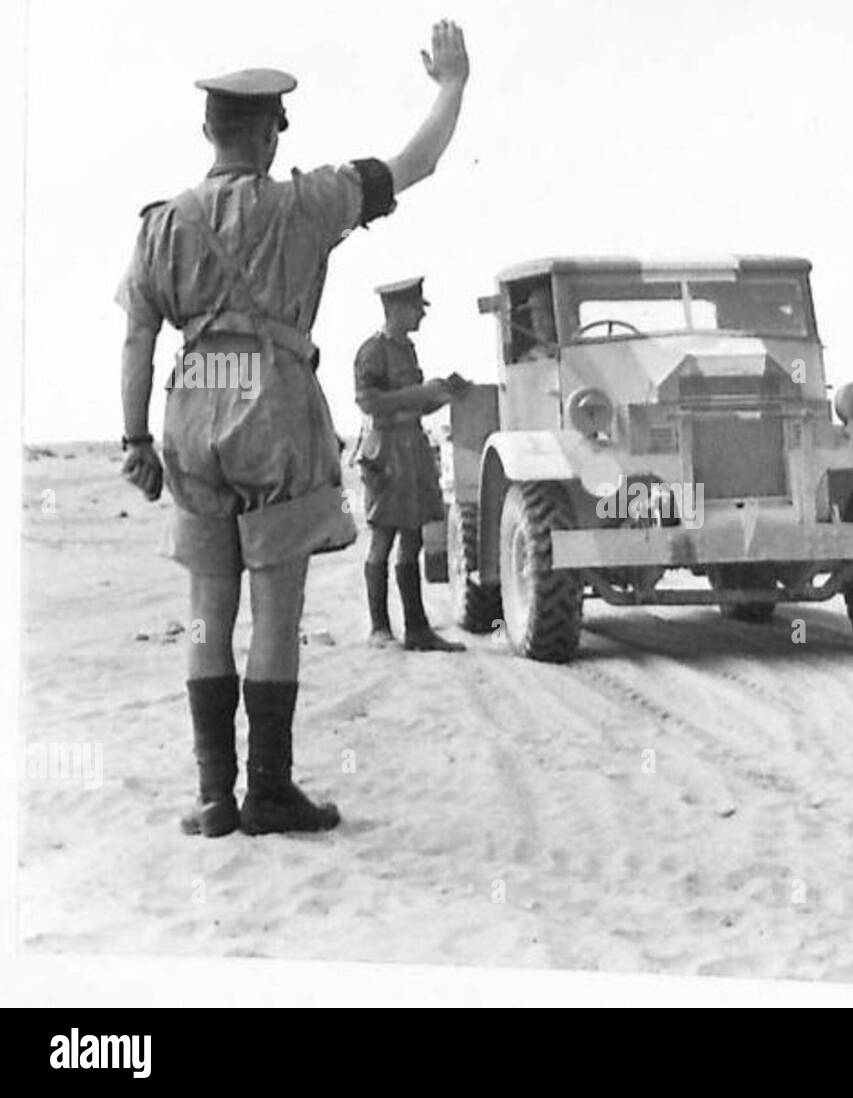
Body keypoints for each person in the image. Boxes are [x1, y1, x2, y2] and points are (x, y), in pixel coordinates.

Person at [116, 21, 471, 837]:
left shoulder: (161, 223)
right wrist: (450, 86)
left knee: (209, 605)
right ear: (273, 133)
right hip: (272, 397)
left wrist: (135, 440)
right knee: (274, 612)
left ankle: (213, 796)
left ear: (208, 131)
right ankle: (269, 790)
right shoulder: (309, 200)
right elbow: (415, 164)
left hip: (197, 396)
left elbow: (139, 336)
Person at [355, 277, 468, 652]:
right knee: (384, 538)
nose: (421, 314)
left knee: (413, 537)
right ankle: (380, 629)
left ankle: (417, 630)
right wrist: (423, 391)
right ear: (397, 310)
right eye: (416, 308)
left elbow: (414, 404)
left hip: (412, 448)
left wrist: (444, 394)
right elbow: (368, 401)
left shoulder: (407, 350)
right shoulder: (372, 351)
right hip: (386, 451)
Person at [517, 285, 558, 361]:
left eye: (542, 318)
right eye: (534, 319)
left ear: (555, 318)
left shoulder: (572, 350)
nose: (537, 325)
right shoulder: (527, 360)